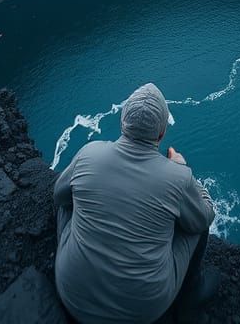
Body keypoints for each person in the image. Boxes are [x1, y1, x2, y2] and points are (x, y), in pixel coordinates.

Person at [53, 83, 221, 324]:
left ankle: (79, 257)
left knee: (68, 198)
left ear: (123, 122)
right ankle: (191, 297)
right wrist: (183, 169)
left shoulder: (89, 153)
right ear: (162, 133)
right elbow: (205, 216)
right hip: (143, 311)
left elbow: (59, 197)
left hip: (73, 295)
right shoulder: (177, 177)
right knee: (197, 223)